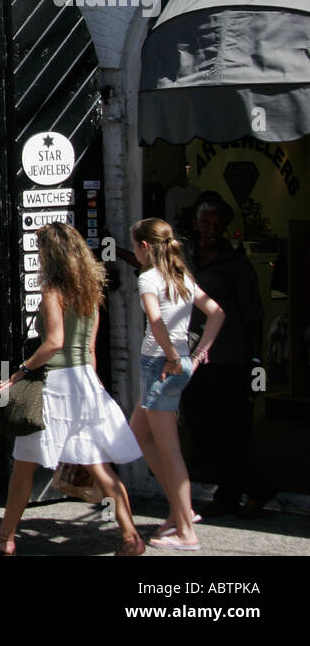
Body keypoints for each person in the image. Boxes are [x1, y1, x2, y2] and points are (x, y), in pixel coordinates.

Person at [0, 223, 144, 556]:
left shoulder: (53, 290)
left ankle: (4, 537)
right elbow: (90, 348)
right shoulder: (91, 289)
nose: (39, 256)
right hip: (84, 382)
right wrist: (91, 384)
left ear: (51, 254)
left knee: (23, 466)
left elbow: (53, 343)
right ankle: (130, 536)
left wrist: (19, 374)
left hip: (56, 385)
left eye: (40, 251)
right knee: (99, 466)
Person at [128, 217, 225, 551]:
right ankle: (177, 511)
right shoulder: (180, 275)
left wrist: (172, 356)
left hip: (161, 365)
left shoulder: (149, 278)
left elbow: (156, 322)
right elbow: (217, 313)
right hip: (173, 363)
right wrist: (197, 355)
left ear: (143, 247)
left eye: (134, 246)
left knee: (169, 450)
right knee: (138, 435)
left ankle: (186, 528)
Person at [180, 196, 275, 518]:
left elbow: (254, 315)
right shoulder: (187, 258)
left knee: (233, 429)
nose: (211, 228)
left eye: (218, 223)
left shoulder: (236, 265)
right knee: (201, 425)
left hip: (231, 358)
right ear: (194, 223)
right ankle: (250, 486)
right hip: (196, 357)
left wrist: (256, 363)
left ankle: (231, 494)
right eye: (205, 222)